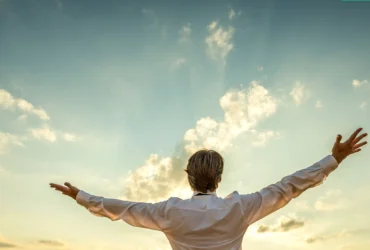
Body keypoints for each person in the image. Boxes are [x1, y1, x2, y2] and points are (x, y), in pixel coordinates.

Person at [50, 128, 367, 250]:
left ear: (188, 176)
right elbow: (289, 187)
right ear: (220, 177)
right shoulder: (239, 208)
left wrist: (81, 196)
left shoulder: (169, 213)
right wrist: (332, 161)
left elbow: (120, 209)